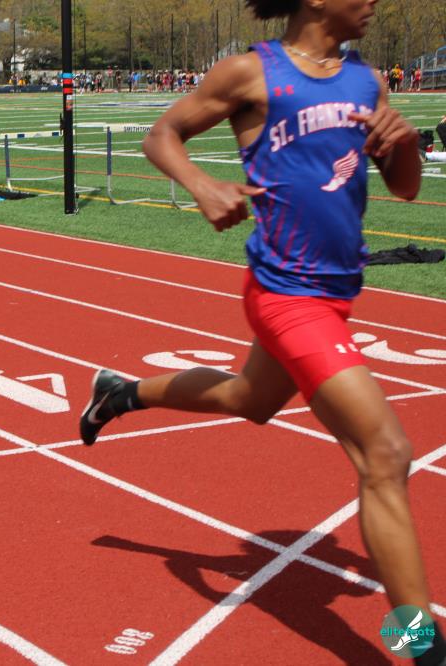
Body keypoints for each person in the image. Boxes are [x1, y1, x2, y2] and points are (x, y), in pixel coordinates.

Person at [79, 1, 444, 664]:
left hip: (337, 292)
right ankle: (422, 648)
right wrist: (201, 185)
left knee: (250, 399)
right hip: (286, 294)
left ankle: (122, 393)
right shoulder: (251, 72)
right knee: (386, 454)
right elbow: (162, 135)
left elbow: (406, 189)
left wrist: (404, 143)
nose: (373, 2)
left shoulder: (368, 81)